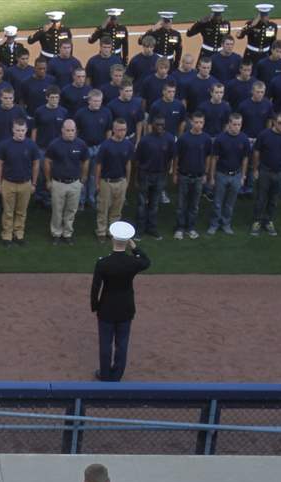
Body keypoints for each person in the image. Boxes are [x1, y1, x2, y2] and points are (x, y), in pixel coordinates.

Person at [91, 221, 150, 383]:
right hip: (126, 308)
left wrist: (94, 306)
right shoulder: (133, 262)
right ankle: (116, 376)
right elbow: (146, 261)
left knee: (105, 344)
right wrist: (135, 247)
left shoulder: (103, 263)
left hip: (106, 308)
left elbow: (96, 287)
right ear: (127, 240)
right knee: (122, 344)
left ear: (112, 238)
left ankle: (105, 374)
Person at [0, 119, 39, 247]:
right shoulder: (4, 145)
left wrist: (34, 184)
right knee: (8, 211)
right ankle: (7, 235)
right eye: (18, 130)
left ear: (26, 130)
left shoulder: (31, 145)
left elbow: (36, 165)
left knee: (21, 211)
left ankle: (19, 234)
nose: (20, 133)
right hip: (8, 183)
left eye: (23, 130)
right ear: (13, 130)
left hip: (25, 183)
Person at [251, 111, 281, 236]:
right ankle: (257, 221)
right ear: (274, 122)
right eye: (280, 123)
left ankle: (268, 220)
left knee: (274, 199)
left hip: (280, 172)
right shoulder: (264, 135)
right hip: (265, 171)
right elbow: (256, 153)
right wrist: (255, 170)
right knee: (261, 198)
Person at [44, 119, 89, 245]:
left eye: (72, 130)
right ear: (62, 130)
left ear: (76, 131)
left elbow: (86, 160)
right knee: (57, 210)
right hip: (58, 183)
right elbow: (47, 161)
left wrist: (83, 178)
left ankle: (67, 233)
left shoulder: (81, 144)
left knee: (71, 210)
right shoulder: (54, 144)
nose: (70, 133)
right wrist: (48, 180)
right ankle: (56, 234)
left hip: (75, 183)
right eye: (68, 130)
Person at [134, 116, 176, 240]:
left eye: (162, 125)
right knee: (141, 204)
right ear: (152, 125)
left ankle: (151, 228)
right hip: (145, 174)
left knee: (155, 204)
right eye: (157, 124)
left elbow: (172, 157)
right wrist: (137, 177)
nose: (160, 127)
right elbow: (138, 160)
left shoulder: (169, 139)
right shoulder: (145, 140)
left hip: (160, 175)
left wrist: (168, 171)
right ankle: (140, 229)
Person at [207, 112, 249, 235]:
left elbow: (245, 159)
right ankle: (214, 224)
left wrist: (243, 175)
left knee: (230, 203)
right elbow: (214, 158)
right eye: (234, 124)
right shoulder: (220, 139)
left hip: (236, 175)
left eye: (239, 125)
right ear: (229, 124)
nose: (237, 127)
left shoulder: (244, 139)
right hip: (221, 174)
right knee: (217, 202)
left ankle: (226, 224)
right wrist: (212, 176)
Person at [173, 111, 213, 240]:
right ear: (191, 123)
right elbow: (176, 158)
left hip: (198, 176)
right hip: (184, 175)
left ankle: (190, 228)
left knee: (194, 205)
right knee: (181, 204)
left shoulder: (206, 139)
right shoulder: (183, 138)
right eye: (196, 122)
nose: (198, 125)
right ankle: (180, 228)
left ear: (204, 123)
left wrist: (206, 174)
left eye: (201, 122)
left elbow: (208, 157)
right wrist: (174, 174)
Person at [95, 118, 134, 242]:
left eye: (124, 130)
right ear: (113, 130)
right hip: (106, 181)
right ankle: (101, 231)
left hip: (121, 181)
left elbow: (128, 163)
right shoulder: (105, 145)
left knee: (117, 209)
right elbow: (98, 165)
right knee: (103, 208)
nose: (122, 132)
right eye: (119, 130)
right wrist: (97, 182)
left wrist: (127, 180)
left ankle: (112, 231)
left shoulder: (128, 145)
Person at [75, 89, 112, 209]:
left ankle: (91, 199)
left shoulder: (106, 113)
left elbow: (108, 131)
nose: (97, 103)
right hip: (84, 147)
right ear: (89, 101)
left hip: (99, 147)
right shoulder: (80, 113)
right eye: (95, 101)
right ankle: (80, 200)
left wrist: (107, 146)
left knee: (94, 175)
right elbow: (76, 131)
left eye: (99, 101)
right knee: (82, 174)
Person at [32, 86, 67, 207]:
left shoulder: (63, 112)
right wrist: (34, 146)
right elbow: (34, 129)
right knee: (41, 174)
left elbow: (65, 131)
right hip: (42, 148)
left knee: (54, 173)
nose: (54, 100)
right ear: (47, 98)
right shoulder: (39, 111)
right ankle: (39, 196)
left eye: (57, 97)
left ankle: (50, 197)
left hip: (57, 149)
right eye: (52, 97)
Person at [238, 80, 273, 194]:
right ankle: (240, 187)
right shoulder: (243, 105)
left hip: (259, 139)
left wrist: (266, 135)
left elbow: (269, 120)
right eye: (258, 92)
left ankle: (249, 188)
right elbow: (239, 122)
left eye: (262, 92)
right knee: (242, 163)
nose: (260, 94)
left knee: (254, 164)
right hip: (246, 138)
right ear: (252, 91)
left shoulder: (268, 104)